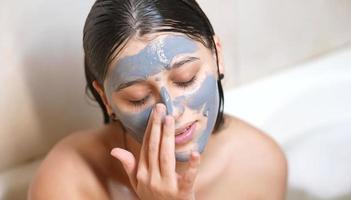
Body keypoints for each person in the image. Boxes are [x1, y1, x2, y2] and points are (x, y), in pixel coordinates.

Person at [28, 0, 287, 199]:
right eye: (137, 98)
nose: (172, 111)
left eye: (186, 79)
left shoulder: (258, 163)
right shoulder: (70, 178)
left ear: (217, 56)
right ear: (105, 99)